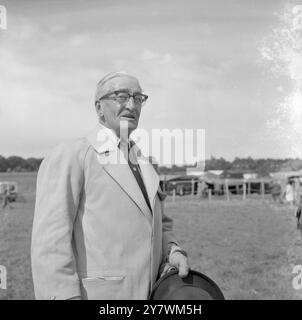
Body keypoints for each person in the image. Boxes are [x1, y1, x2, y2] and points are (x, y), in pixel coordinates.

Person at [31, 72, 190, 300]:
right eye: (121, 96)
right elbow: (49, 244)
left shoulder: (143, 160)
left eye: (138, 98)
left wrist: (173, 251)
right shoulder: (71, 155)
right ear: (98, 107)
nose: (131, 104)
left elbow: (159, 224)